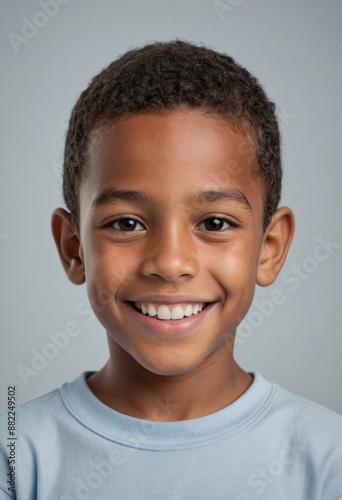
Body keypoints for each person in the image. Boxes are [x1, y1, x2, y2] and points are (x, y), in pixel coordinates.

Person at [1, 40, 341, 500]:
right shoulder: (16, 456)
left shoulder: (326, 461)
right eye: (126, 223)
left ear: (269, 247)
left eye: (214, 223)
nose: (170, 262)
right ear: (73, 247)